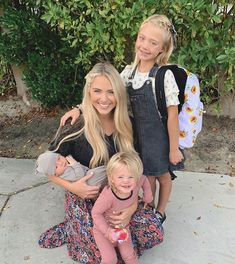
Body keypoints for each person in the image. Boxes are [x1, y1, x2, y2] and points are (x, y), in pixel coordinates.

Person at [38, 62, 163, 264]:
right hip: (85, 198)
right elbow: (46, 167)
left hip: (120, 195)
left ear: (119, 95)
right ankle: (74, 227)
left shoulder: (128, 125)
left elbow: (137, 171)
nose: (104, 99)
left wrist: (132, 207)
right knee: (103, 254)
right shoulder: (74, 126)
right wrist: (74, 188)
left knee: (153, 231)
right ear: (88, 92)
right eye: (97, 91)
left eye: (111, 92)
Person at [60, 14, 184, 224]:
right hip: (136, 135)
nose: (145, 45)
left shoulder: (163, 75)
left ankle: (160, 211)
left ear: (161, 49)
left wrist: (173, 148)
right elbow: (109, 90)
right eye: (142, 38)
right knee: (146, 175)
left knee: (163, 176)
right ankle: (148, 208)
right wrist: (80, 108)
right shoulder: (128, 73)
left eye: (153, 43)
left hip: (158, 136)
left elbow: (172, 116)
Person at [92, 151, 152, 264]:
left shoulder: (137, 182)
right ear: (111, 179)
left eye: (131, 176)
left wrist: (148, 197)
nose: (126, 181)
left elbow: (144, 179)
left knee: (129, 255)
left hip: (122, 228)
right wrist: (107, 232)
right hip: (103, 232)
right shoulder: (107, 196)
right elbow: (95, 213)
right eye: (120, 177)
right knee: (109, 259)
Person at [35, 151, 107, 187]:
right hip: (87, 181)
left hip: (87, 173)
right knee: (97, 173)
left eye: (59, 158)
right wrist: (75, 164)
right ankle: (109, 169)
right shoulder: (65, 174)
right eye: (56, 167)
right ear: (56, 174)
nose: (61, 163)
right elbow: (80, 176)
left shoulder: (65, 165)